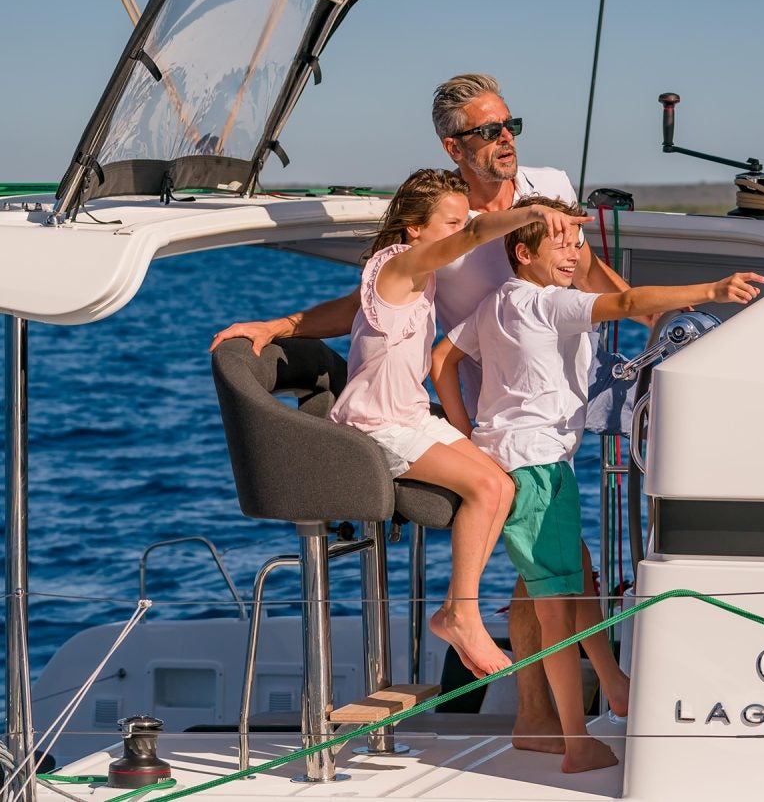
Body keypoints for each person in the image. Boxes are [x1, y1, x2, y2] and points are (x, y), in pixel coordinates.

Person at [209, 73, 636, 751]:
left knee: (557, 561)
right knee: (552, 561)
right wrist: (282, 322)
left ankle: (560, 707)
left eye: (509, 125)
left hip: (555, 406)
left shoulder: (542, 186)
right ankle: (544, 713)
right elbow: (377, 301)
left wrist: (623, 295)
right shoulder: (451, 223)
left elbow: (585, 276)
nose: (504, 140)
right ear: (453, 145)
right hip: (495, 411)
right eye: (488, 131)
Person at [431, 196, 764, 772]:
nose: (572, 254)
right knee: (557, 611)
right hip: (536, 469)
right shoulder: (546, 304)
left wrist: (470, 436)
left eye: (576, 244)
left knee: (577, 580)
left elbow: (441, 359)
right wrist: (712, 291)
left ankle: (616, 687)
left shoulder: (497, 302)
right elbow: (630, 301)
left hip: (519, 462)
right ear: (523, 251)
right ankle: (574, 742)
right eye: (558, 244)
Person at [331, 168, 591, 677]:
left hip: (411, 414)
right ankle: (461, 613)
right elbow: (476, 235)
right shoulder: (404, 264)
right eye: (449, 223)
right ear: (415, 230)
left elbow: (347, 311)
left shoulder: (413, 278)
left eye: (460, 222)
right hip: (376, 424)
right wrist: (535, 212)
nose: (460, 233)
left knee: (501, 481)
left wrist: (279, 324)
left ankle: (459, 608)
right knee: (486, 490)